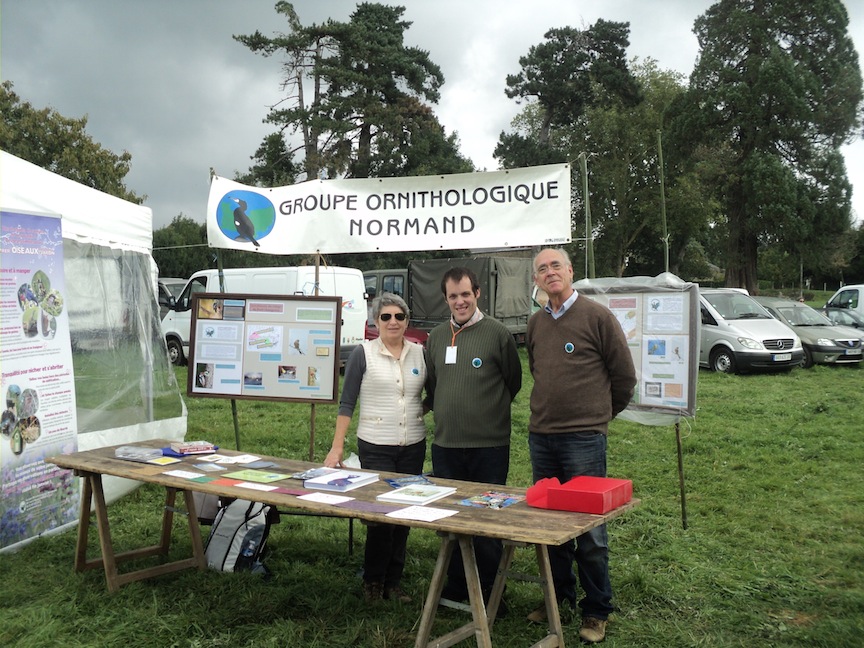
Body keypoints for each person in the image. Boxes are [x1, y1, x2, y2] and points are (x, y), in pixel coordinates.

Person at [526, 248, 637, 644]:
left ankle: (596, 610)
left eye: (556, 265)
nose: (550, 272)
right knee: (551, 525)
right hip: (542, 437)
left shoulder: (597, 316)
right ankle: (557, 598)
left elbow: (624, 376)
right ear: (537, 280)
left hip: (584, 440)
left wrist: (597, 419)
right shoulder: (536, 323)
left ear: (571, 272)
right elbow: (536, 369)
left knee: (589, 531)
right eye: (542, 269)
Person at [424, 267, 522, 606]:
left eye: (465, 294)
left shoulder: (497, 333)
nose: (460, 301)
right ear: (446, 299)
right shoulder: (436, 337)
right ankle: (456, 586)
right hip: (446, 445)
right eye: (453, 296)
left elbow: (513, 381)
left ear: (477, 293)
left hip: (489, 445)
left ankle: (492, 590)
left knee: (486, 517)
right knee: (450, 518)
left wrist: (487, 412)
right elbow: (434, 384)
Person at [324, 293, 427, 603]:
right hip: (376, 446)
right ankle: (373, 582)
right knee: (382, 517)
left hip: (413, 446)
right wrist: (336, 447)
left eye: (399, 316)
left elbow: (433, 392)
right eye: (386, 317)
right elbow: (347, 403)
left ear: (407, 321)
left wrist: (422, 411)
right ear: (375, 321)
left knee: (404, 514)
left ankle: (393, 583)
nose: (393, 322)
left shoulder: (420, 354)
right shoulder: (363, 354)